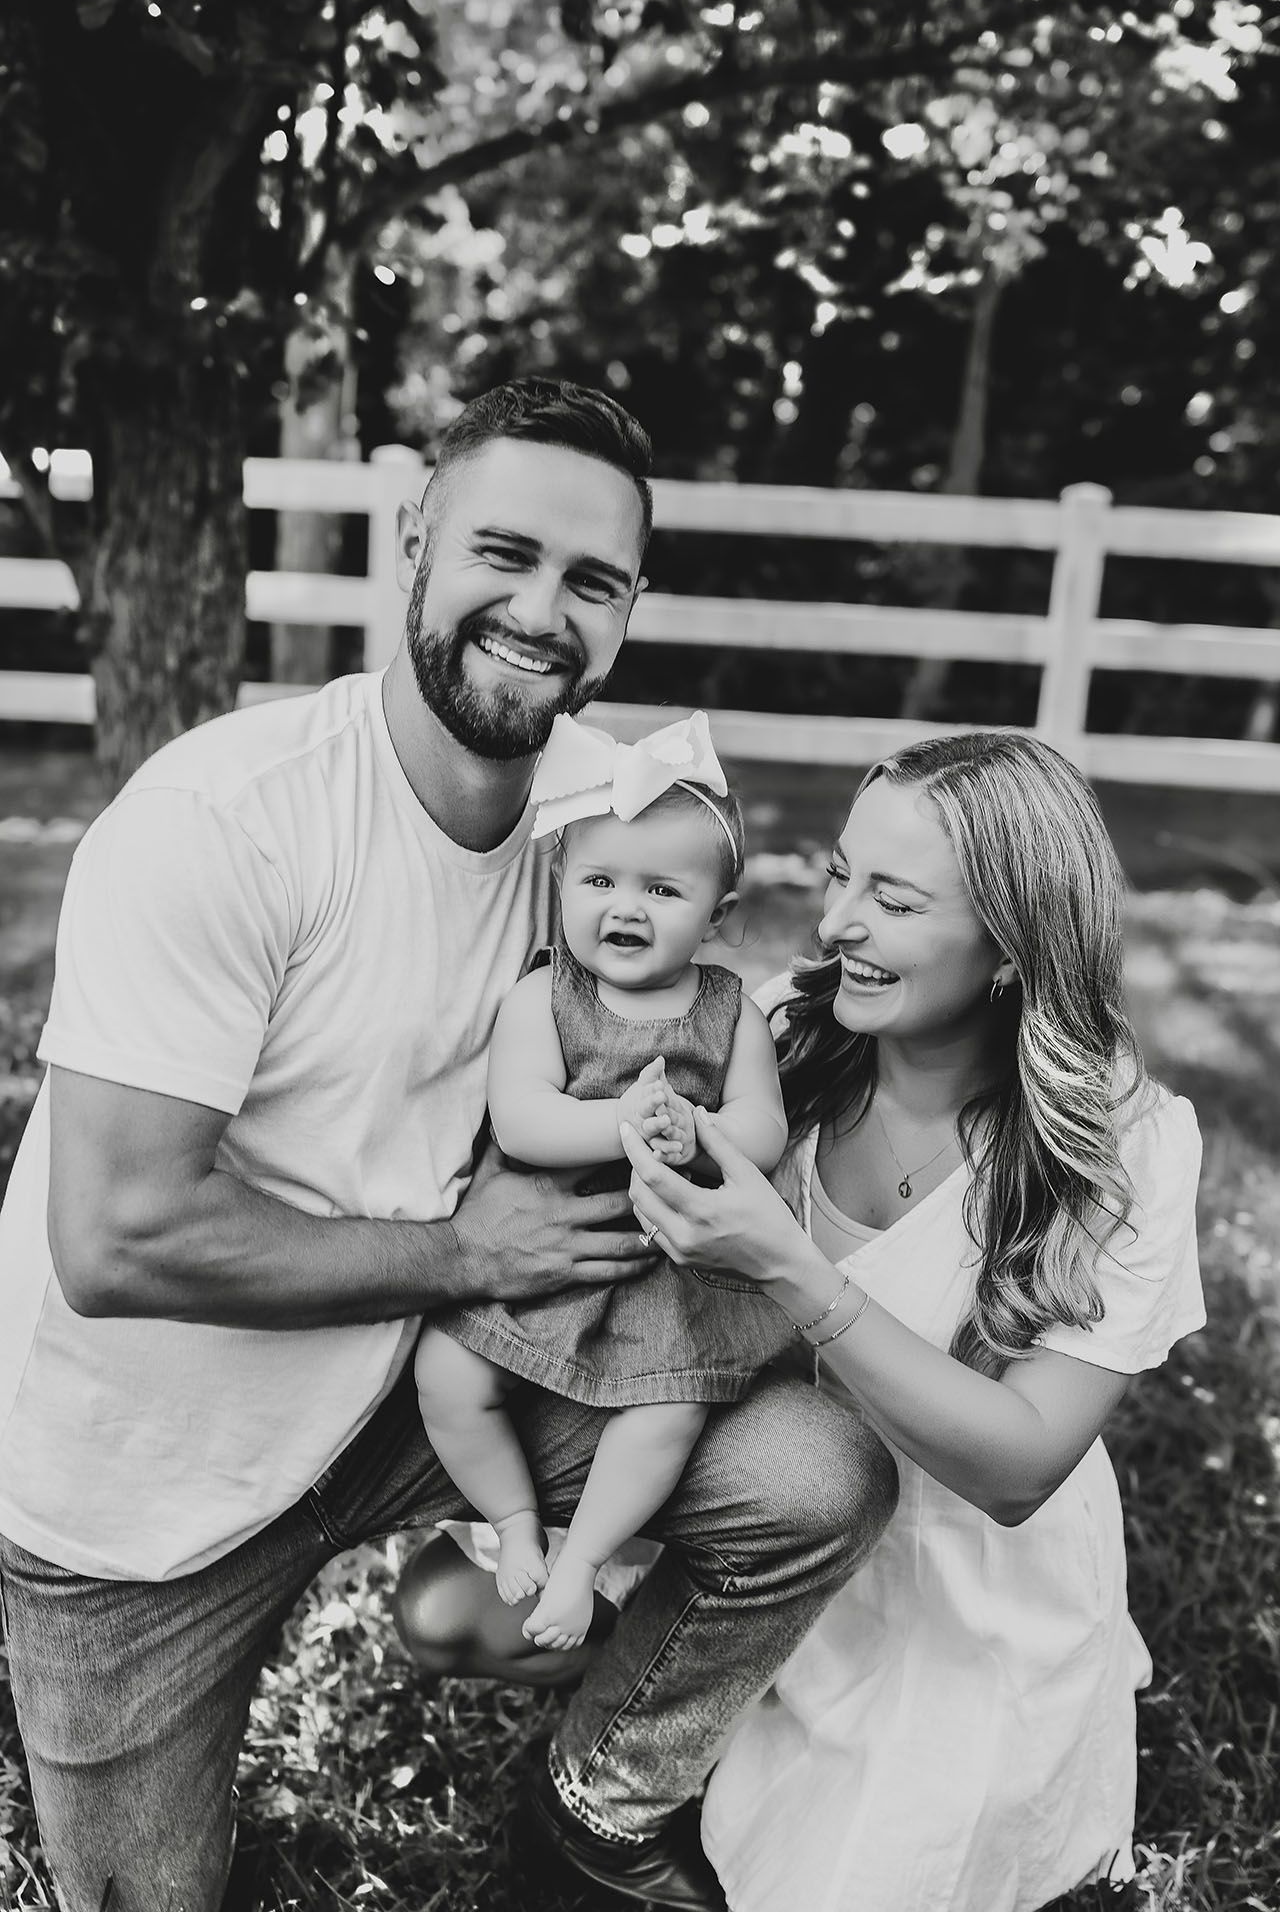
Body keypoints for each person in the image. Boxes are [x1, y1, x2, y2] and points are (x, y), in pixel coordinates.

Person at [0, 377, 898, 1912]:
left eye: (592, 581)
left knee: (809, 1472)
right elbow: (115, 1239)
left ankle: (599, 1797)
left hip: (449, 1366)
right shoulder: (228, 821)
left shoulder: (602, 820)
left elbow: (759, 972)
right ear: (411, 537)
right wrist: (467, 1251)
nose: (542, 611)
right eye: (504, 552)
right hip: (142, 1492)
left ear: (628, 611)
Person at [619, 730, 1204, 1912]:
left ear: (1007, 943)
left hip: (968, 1599)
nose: (835, 924)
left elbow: (1020, 1467)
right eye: (840, 875)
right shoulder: (778, 1040)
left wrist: (792, 1269)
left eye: (891, 900)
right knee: (455, 1615)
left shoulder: (1123, 1147)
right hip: (777, 1524)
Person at [415, 709, 793, 1653]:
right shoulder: (543, 997)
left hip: (667, 1268)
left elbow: (765, 1128)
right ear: (560, 887)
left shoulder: (728, 1011)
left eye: (662, 888)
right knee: (447, 1373)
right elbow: (524, 1120)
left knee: (665, 1410)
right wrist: (625, 1124)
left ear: (720, 917)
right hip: (535, 1240)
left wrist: (702, 1129)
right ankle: (510, 1520)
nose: (625, 906)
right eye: (600, 880)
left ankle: (582, 1561)